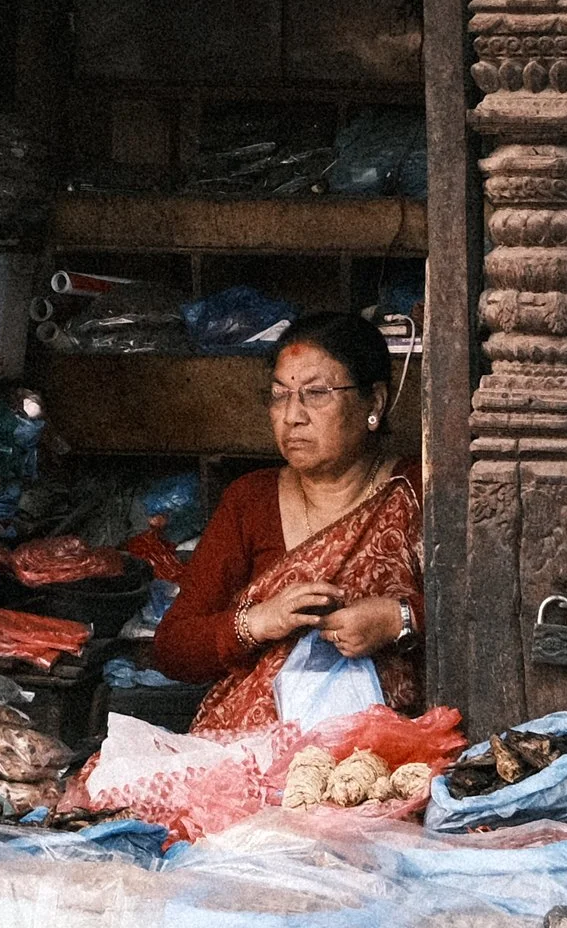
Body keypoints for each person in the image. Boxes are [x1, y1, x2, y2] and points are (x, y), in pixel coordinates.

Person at [152, 313, 423, 733]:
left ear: (374, 402)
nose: (292, 416)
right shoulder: (251, 500)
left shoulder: (417, 489)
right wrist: (257, 622)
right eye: (280, 396)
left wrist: (398, 619)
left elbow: (486, 611)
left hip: (388, 753)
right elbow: (172, 649)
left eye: (316, 393)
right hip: (256, 750)